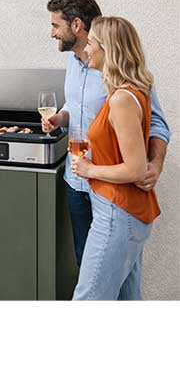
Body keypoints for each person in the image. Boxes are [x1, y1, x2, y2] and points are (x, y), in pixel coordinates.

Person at [43, 0, 169, 267]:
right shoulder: (72, 62)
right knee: (86, 263)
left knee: (114, 269)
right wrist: (61, 118)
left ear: (76, 25)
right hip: (77, 181)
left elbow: (156, 122)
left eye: (55, 25)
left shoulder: (119, 69)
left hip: (112, 186)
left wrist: (155, 165)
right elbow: (75, 106)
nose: (52, 33)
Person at [70, 16, 160, 299]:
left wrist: (90, 169)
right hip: (125, 212)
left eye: (91, 43)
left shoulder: (121, 99)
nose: (86, 49)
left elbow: (135, 169)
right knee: (126, 299)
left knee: (88, 299)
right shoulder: (131, 91)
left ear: (107, 49)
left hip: (116, 213)